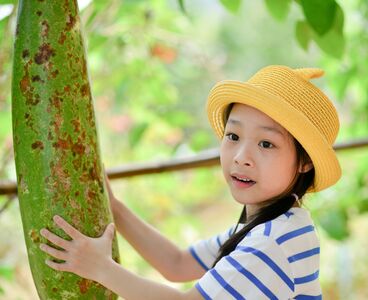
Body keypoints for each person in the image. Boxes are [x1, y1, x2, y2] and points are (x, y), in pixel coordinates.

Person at [39, 65, 341, 299]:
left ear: (305, 163)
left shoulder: (271, 244)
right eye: (233, 136)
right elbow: (177, 264)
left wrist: (101, 268)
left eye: (266, 144)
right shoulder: (277, 223)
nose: (241, 157)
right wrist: (114, 208)